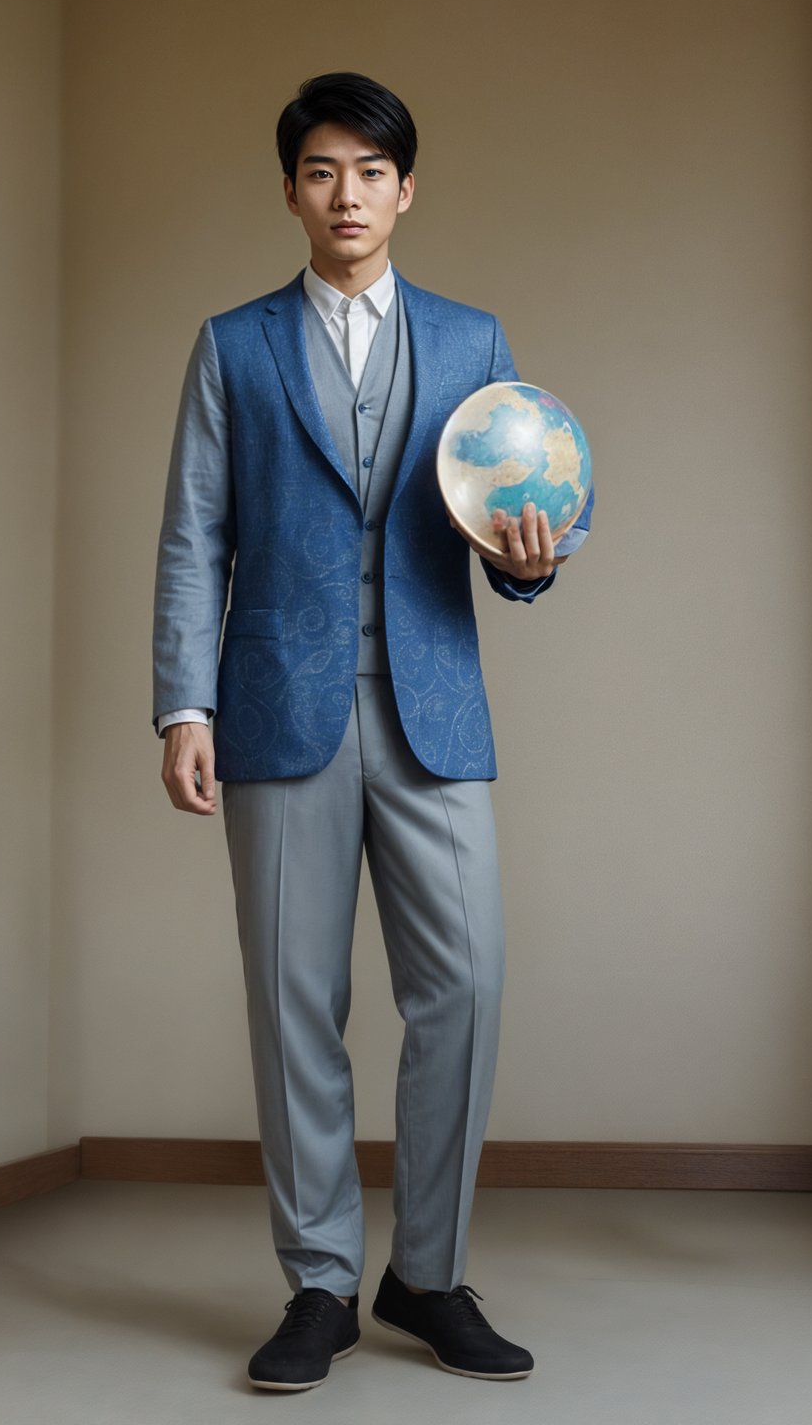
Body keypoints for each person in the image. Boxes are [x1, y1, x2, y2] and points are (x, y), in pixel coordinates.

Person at [152, 72, 593, 1392]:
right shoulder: (233, 346)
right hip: (277, 710)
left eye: (370, 170)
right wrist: (185, 704)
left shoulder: (472, 339)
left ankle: (431, 1271)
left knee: (465, 983)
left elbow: (517, 506)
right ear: (292, 190)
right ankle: (321, 1284)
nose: (347, 194)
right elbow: (193, 544)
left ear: (407, 188)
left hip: (433, 710)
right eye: (321, 170)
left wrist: (532, 561)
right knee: (295, 1005)